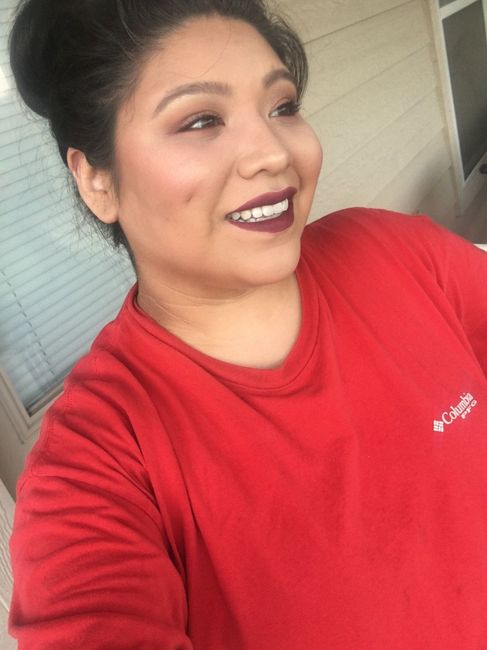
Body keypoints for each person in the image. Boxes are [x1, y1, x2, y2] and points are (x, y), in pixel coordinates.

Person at [7, 0, 487, 648]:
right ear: (98, 181)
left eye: (281, 107)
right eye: (200, 120)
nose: (272, 152)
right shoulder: (98, 466)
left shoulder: (396, 251)